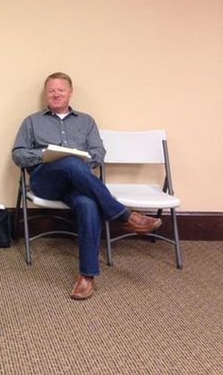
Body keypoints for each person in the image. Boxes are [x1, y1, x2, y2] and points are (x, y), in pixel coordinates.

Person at [12, 72, 162, 300]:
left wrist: (83, 164)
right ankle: (123, 216)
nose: (56, 94)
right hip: (46, 180)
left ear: (70, 93)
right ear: (46, 94)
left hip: (79, 183)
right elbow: (18, 154)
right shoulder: (32, 121)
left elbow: (98, 152)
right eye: (51, 90)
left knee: (89, 204)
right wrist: (43, 154)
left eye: (61, 90)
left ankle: (87, 276)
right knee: (70, 162)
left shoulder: (86, 121)